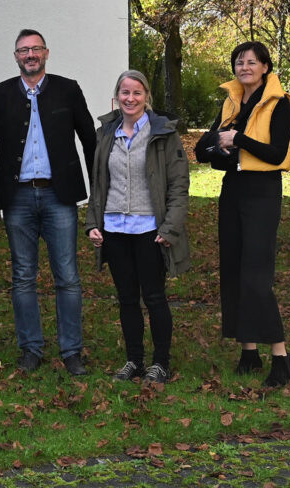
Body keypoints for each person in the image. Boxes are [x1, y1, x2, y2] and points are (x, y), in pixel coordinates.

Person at [0, 29, 96, 375]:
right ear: (15, 56)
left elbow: (90, 141)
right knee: (22, 276)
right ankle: (30, 349)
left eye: (35, 49)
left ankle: (71, 351)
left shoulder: (68, 89)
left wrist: (99, 193)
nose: (30, 55)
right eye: (23, 50)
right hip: (16, 197)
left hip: (58, 195)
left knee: (68, 276)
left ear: (46, 53)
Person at [194, 41, 290, 387]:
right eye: (239, 62)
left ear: (265, 67)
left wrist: (237, 140)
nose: (245, 68)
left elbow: (277, 154)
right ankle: (249, 352)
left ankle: (281, 357)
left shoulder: (280, 103)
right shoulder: (231, 102)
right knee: (235, 270)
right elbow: (203, 150)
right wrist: (220, 144)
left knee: (256, 275)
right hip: (232, 190)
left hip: (263, 192)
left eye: (252, 62)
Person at [85, 70, 190, 385]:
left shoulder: (163, 134)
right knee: (127, 298)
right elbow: (98, 183)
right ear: (116, 97)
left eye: (136, 93)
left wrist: (170, 228)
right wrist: (93, 223)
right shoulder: (106, 133)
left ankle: (160, 363)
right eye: (125, 92)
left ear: (146, 97)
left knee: (154, 297)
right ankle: (134, 360)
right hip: (115, 229)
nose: (130, 98)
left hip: (150, 230)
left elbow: (179, 185)